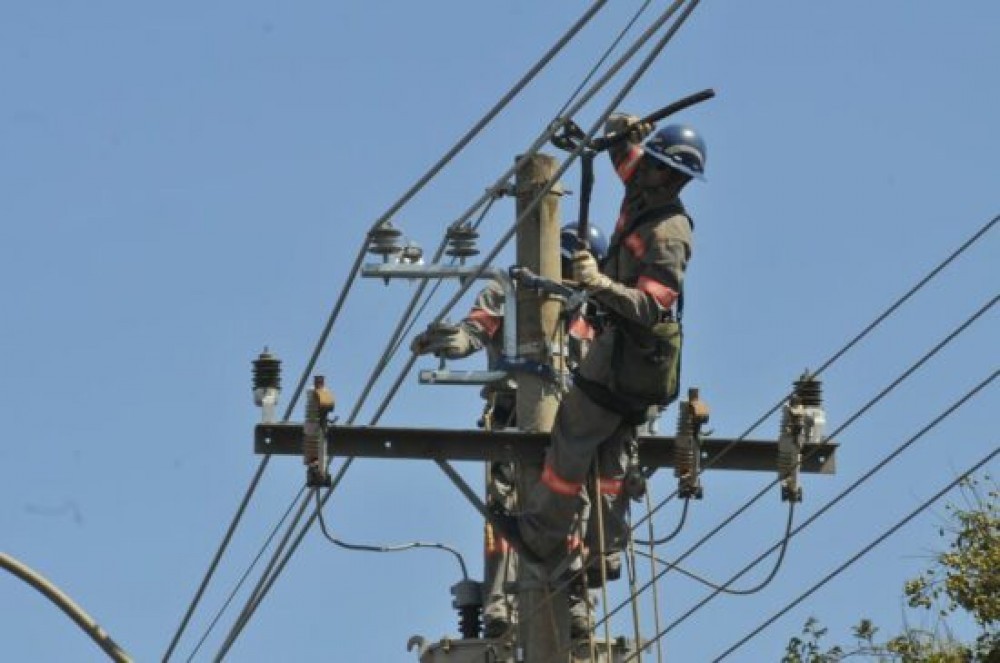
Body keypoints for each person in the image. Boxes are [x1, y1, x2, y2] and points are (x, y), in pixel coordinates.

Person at [497, 117, 707, 620]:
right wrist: (625, 126)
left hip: (626, 358)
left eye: (659, 166)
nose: (649, 169)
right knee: (611, 463)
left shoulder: (669, 234)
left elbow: (653, 307)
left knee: (571, 437)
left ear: (674, 178)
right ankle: (604, 553)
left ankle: (541, 535)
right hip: (631, 364)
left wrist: (597, 285)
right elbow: (623, 157)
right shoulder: (644, 189)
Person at [410, 223, 609, 639]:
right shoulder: (509, 291)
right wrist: (449, 342)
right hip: (511, 420)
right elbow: (474, 330)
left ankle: (575, 605)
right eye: (566, 264)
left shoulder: (593, 314)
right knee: (506, 512)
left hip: (572, 430)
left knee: (576, 511)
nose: (570, 275)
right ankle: (500, 602)